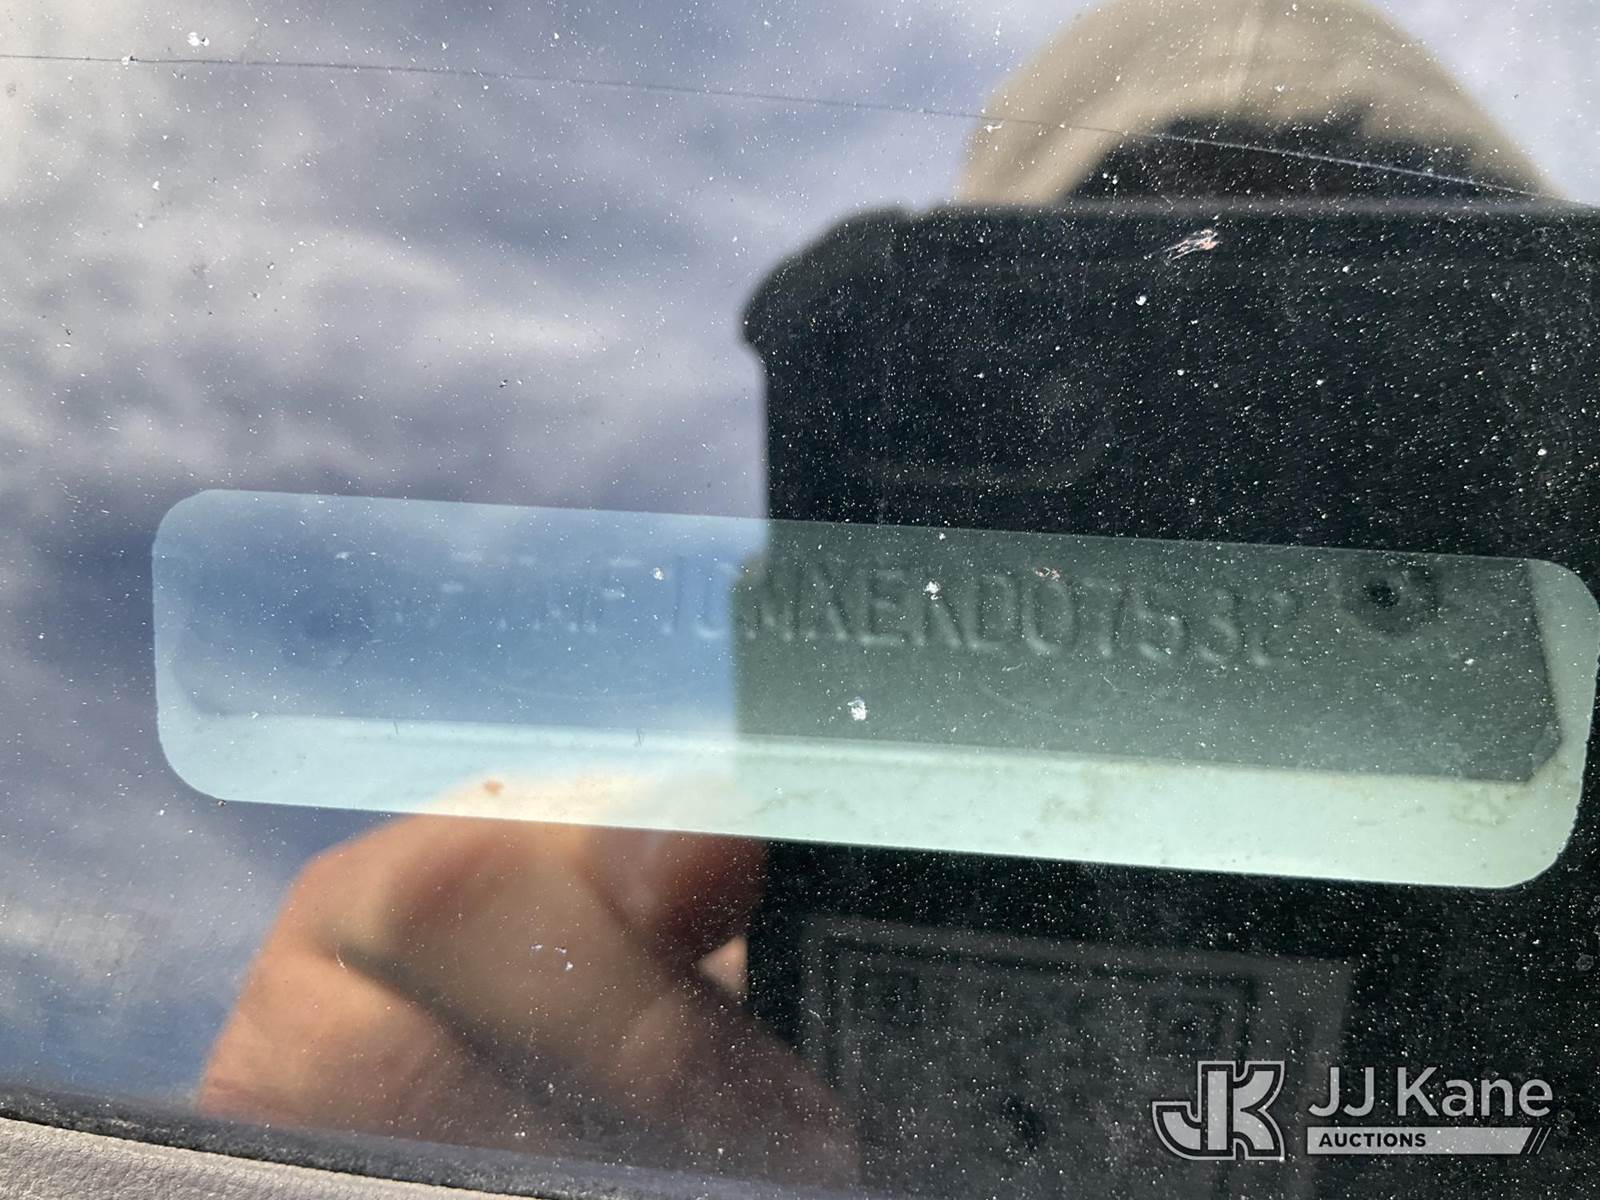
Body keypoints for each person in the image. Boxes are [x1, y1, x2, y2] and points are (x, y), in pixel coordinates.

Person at [198, 0, 1550, 1183]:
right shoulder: (704, 1055)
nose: (1254, 492)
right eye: (1135, 352)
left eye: (1403, 387)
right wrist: (325, 1156)